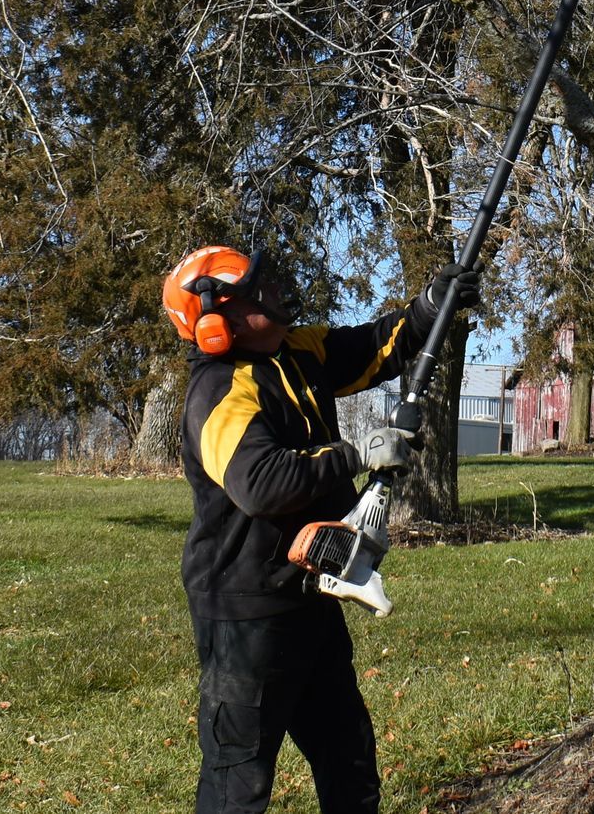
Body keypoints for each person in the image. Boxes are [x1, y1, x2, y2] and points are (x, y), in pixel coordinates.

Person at [161, 245, 480, 814]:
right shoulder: (218, 392)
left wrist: (433, 305)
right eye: (261, 289)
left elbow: (377, 347)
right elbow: (261, 483)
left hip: (313, 592)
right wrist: (357, 454)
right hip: (247, 613)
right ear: (220, 318)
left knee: (348, 759)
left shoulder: (294, 350)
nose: (278, 292)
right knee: (238, 782)